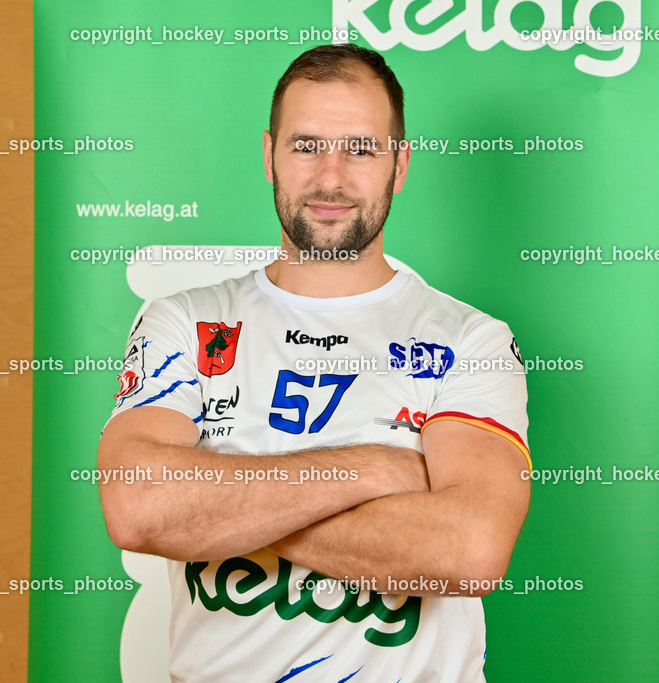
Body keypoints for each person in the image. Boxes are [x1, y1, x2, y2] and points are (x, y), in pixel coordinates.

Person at [98, 43, 531, 682]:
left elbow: (469, 552)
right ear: (269, 156)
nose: (331, 178)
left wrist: (215, 504)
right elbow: (137, 506)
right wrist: (381, 470)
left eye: (360, 148)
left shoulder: (471, 339)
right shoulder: (185, 322)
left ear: (400, 165)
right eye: (307, 146)